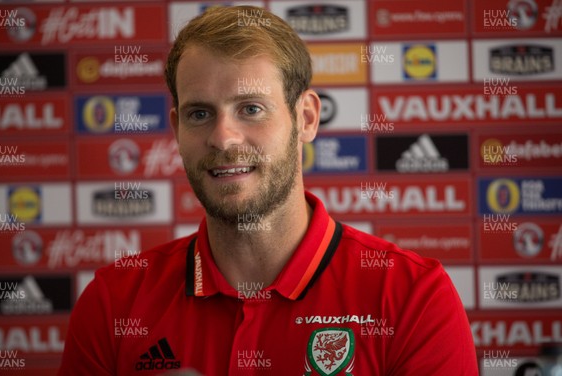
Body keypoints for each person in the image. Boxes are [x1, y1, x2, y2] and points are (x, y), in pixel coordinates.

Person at [59, 5, 478, 375]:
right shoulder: (114, 303)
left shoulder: (413, 299)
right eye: (200, 113)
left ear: (307, 118)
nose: (223, 138)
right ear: (177, 129)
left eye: (251, 109)